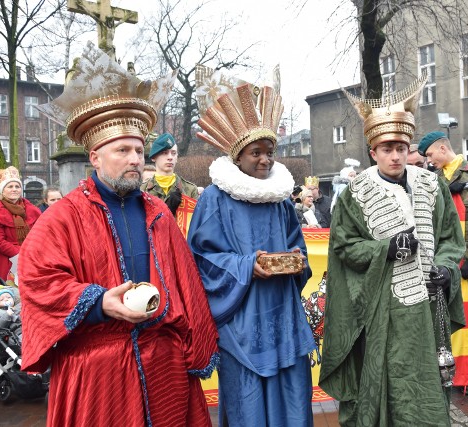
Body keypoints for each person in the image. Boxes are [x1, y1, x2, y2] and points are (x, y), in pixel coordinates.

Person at [19, 42, 219, 426]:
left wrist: (190, 347)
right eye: (123, 150)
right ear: (95, 157)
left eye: (139, 150)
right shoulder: (63, 216)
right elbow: (35, 278)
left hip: (164, 363)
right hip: (98, 367)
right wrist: (97, 302)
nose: (135, 159)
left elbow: (186, 283)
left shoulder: (158, 211)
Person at [320, 76, 466, 425]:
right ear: (373, 152)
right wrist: (385, 249)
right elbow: (345, 247)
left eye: (402, 147)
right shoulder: (355, 194)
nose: (396, 155)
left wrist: (447, 269)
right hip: (383, 309)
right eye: (387, 149)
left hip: (429, 306)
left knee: (428, 384)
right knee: (387, 384)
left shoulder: (433, 185)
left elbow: (450, 238)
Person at [188, 64, 316, 426]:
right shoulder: (215, 198)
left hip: (284, 315)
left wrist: (296, 259)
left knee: (293, 397)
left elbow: (299, 248)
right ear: (238, 156)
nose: (265, 159)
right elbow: (201, 258)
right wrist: (247, 265)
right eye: (256, 152)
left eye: (269, 151)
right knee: (248, 406)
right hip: (242, 320)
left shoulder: (278, 199)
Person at [419, 130, 468, 395]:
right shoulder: (434, 178)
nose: (428, 161)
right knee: (443, 314)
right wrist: (446, 192)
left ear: (441, 149)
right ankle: (444, 367)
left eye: (429, 155)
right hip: (443, 261)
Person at [0, 167, 41, 281]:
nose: (14, 189)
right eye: (10, 187)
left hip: (34, 257)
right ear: (3, 190)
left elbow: (41, 234)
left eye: (17, 186)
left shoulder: (33, 210)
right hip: (10, 260)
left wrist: (32, 252)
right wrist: (21, 254)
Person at [140, 133, 199, 215]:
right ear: (154, 157)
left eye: (173, 153)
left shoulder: (190, 190)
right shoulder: (142, 190)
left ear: (177, 157)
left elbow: (196, 222)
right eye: (165, 153)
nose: (170, 157)